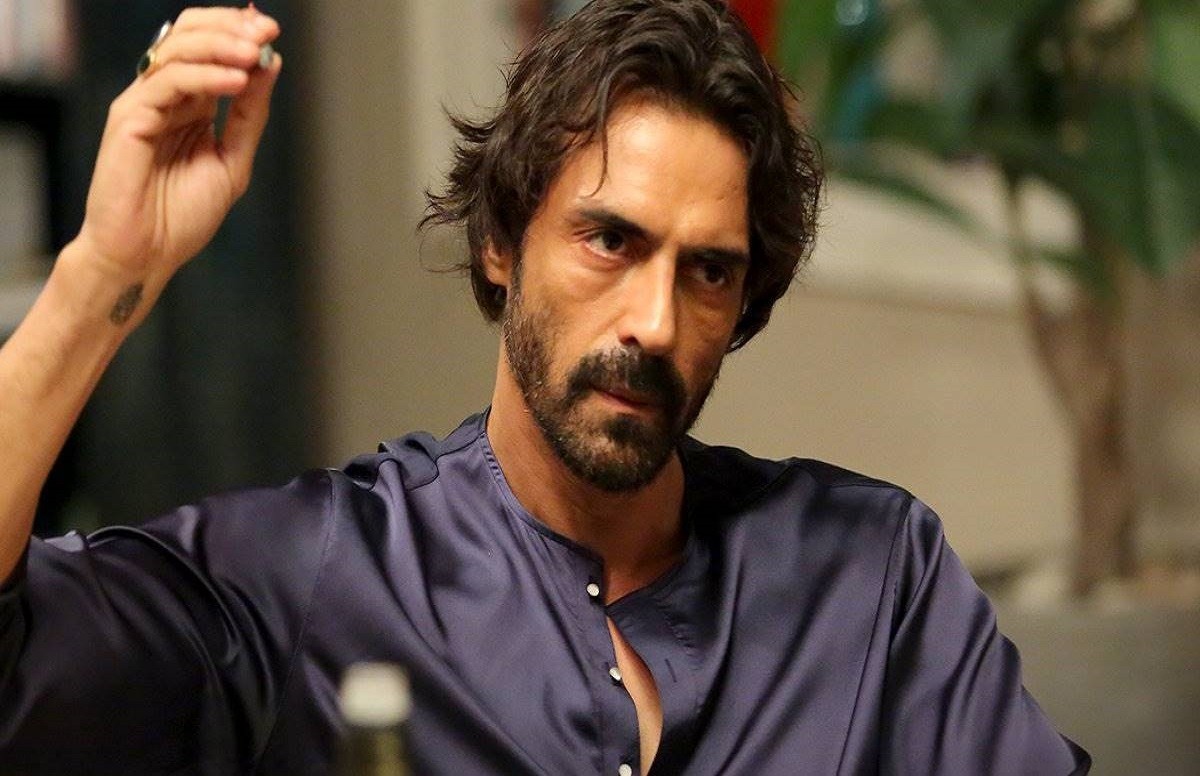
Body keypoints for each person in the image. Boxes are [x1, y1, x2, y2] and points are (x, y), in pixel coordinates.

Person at [0, 1, 1090, 774]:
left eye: (708, 271)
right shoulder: (317, 575)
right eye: (611, 239)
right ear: (501, 242)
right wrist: (103, 272)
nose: (655, 321)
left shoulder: (871, 572)